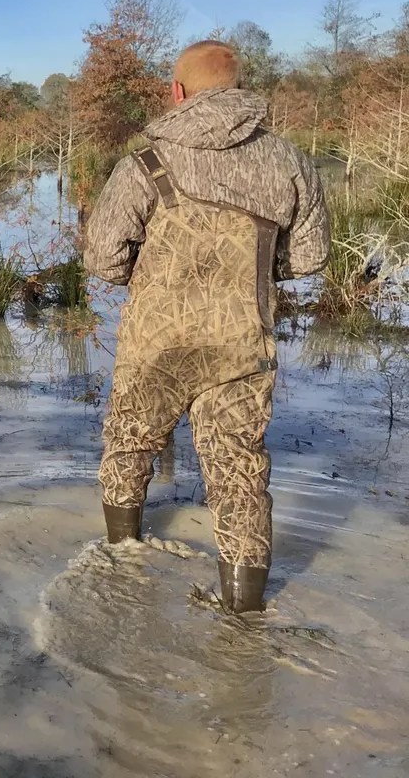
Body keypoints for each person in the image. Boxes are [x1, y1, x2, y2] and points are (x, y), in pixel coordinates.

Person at [84, 40, 330, 614]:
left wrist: (143, 280)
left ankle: (121, 573)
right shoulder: (289, 161)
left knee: (128, 447)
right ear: (241, 90)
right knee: (240, 474)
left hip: (157, 342)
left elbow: (102, 256)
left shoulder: (144, 164)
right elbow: (312, 255)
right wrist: (260, 273)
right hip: (241, 344)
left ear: (177, 93)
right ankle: (244, 620)